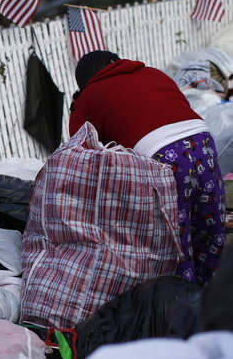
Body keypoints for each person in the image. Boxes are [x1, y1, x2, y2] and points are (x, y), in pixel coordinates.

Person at [69, 50, 225, 285]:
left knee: (174, 241)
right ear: (115, 61)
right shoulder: (153, 73)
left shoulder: (89, 96)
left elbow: (79, 152)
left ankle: (186, 304)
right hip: (202, 142)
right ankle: (217, 293)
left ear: (84, 82)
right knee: (208, 226)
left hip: (162, 158)